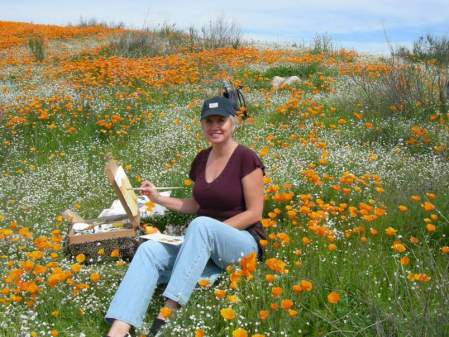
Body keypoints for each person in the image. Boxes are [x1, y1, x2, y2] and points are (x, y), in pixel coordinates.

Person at [104, 96, 266, 337]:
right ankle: (119, 328)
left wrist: (209, 231)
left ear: (232, 123)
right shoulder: (201, 159)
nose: (214, 126)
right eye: (208, 121)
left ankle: (167, 314)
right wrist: (157, 198)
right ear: (202, 126)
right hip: (202, 242)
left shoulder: (246, 158)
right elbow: (195, 204)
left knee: (200, 226)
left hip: (242, 242)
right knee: (149, 250)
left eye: (220, 120)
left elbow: (255, 212)